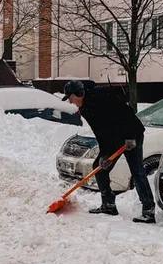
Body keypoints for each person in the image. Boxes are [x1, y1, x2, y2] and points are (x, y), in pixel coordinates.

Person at [62, 80, 156, 223]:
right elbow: (101, 132)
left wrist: (130, 137)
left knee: (137, 171)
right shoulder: (85, 107)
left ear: (79, 94)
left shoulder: (102, 97)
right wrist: (105, 154)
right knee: (99, 168)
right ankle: (108, 204)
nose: (70, 102)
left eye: (70, 98)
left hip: (131, 135)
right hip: (114, 139)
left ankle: (148, 210)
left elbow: (126, 114)